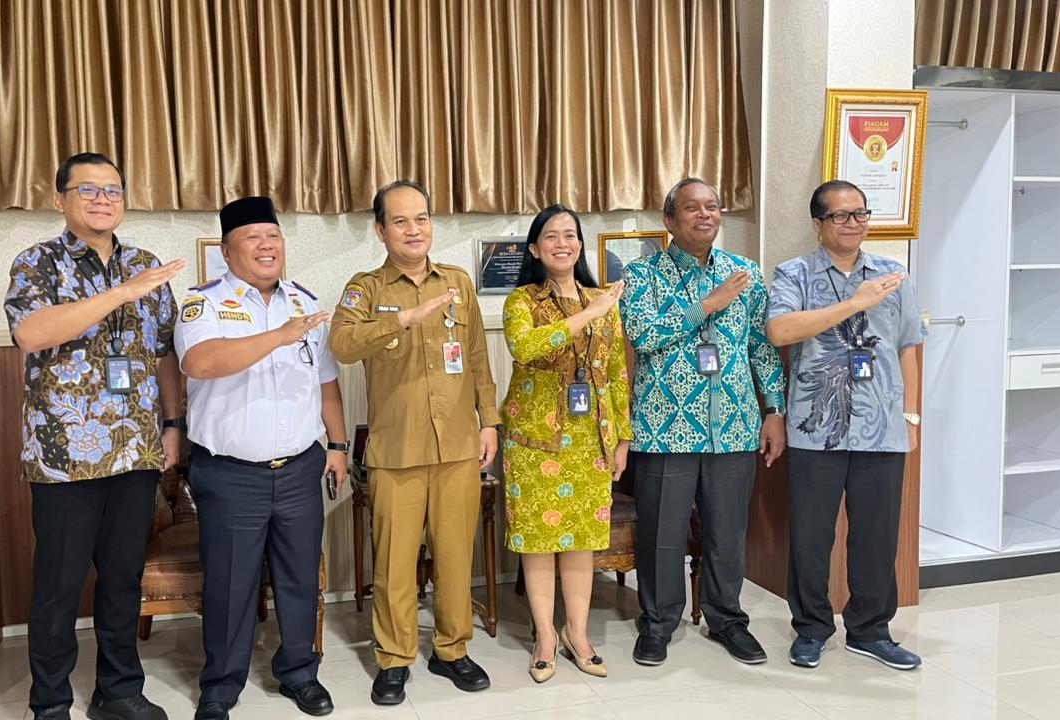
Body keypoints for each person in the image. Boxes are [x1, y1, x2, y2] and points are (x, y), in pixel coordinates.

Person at [3, 152, 184, 720]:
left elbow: (164, 355)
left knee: (123, 578)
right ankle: (50, 701)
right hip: (64, 456)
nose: (103, 199)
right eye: (88, 189)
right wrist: (120, 294)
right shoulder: (38, 262)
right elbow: (31, 333)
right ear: (60, 199)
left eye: (113, 189)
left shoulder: (144, 263)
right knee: (59, 585)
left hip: (135, 449)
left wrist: (173, 426)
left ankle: (119, 690)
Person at [174, 197, 348, 718]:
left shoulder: (304, 303)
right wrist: (278, 335)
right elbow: (200, 363)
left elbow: (326, 383)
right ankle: (221, 684)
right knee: (231, 583)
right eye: (252, 238)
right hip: (230, 474)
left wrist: (338, 446)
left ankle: (299, 673)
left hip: (299, 467)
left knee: (299, 577)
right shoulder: (203, 304)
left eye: (273, 236)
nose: (266, 245)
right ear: (227, 252)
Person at [330, 180, 501, 706]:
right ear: (380, 230)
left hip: (457, 447)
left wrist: (489, 422)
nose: (413, 229)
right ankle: (394, 658)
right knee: (395, 565)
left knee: (455, 558)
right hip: (397, 452)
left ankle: (452, 649)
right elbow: (342, 345)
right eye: (400, 221)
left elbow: (477, 358)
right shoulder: (366, 289)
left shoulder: (457, 282)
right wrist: (401, 320)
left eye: (422, 218)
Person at [620, 178, 787, 667]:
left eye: (712, 207)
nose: (705, 215)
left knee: (727, 534)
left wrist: (774, 411)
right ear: (669, 220)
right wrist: (707, 305)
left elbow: (762, 348)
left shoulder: (745, 273)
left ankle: (727, 620)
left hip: (733, 426)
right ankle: (658, 624)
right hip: (664, 430)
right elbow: (643, 334)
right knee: (661, 536)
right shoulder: (642, 274)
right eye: (692, 208)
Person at [766, 179, 925, 671]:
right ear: (818, 224)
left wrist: (912, 415)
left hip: (883, 426)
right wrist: (854, 303)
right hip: (817, 428)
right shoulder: (794, 274)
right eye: (841, 215)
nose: (853, 223)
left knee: (877, 536)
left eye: (861, 213)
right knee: (811, 539)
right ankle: (811, 629)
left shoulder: (894, 275)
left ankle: (871, 630)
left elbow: (909, 345)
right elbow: (780, 330)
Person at [499, 204, 630, 683]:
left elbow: (616, 373)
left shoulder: (602, 299)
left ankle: (578, 634)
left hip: (591, 438)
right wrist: (589, 314)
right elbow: (525, 347)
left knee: (580, 543)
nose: (562, 243)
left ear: (579, 244)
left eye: (570, 234)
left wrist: (622, 438)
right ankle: (544, 638)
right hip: (534, 440)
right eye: (551, 236)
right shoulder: (521, 301)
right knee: (537, 542)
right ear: (535, 249)